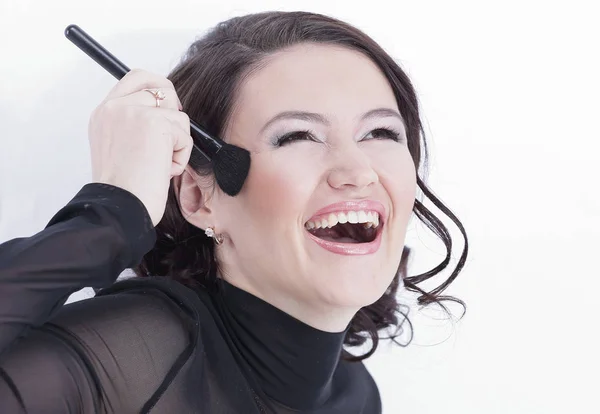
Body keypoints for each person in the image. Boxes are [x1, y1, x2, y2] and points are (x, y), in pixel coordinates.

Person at [0, 10, 468, 414]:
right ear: (202, 200)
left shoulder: (354, 393)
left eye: (382, 133)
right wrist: (110, 217)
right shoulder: (124, 358)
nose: (357, 171)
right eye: (297, 136)